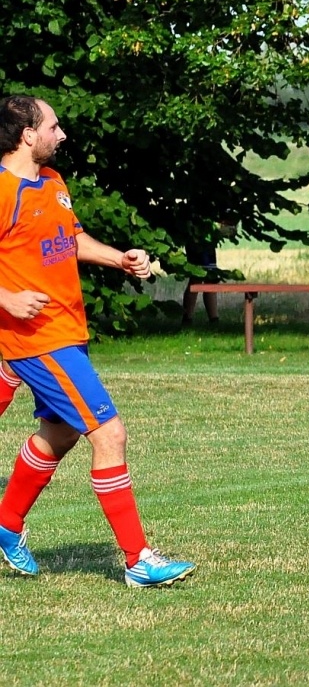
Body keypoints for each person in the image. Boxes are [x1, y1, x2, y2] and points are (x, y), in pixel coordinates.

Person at [0, 95, 196, 587]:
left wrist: (120, 259)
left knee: (61, 434)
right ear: (27, 134)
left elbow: (71, 239)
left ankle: (6, 526)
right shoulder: (3, 190)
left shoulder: (51, 182)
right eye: (53, 126)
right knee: (109, 434)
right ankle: (137, 561)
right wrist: (5, 299)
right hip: (40, 340)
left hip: (69, 330)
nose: (61, 135)